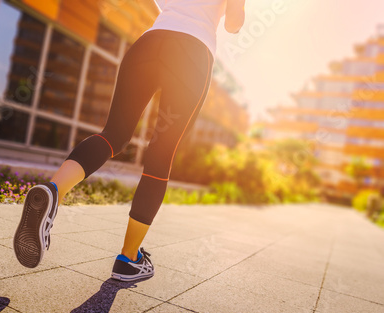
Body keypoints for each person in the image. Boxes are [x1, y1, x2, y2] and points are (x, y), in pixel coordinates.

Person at [14, 0, 246, 281]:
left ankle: (53, 190)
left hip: (149, 43)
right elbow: (233, 23)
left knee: (113, 134)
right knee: (162, 153)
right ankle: (129, 258)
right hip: (193, 53)